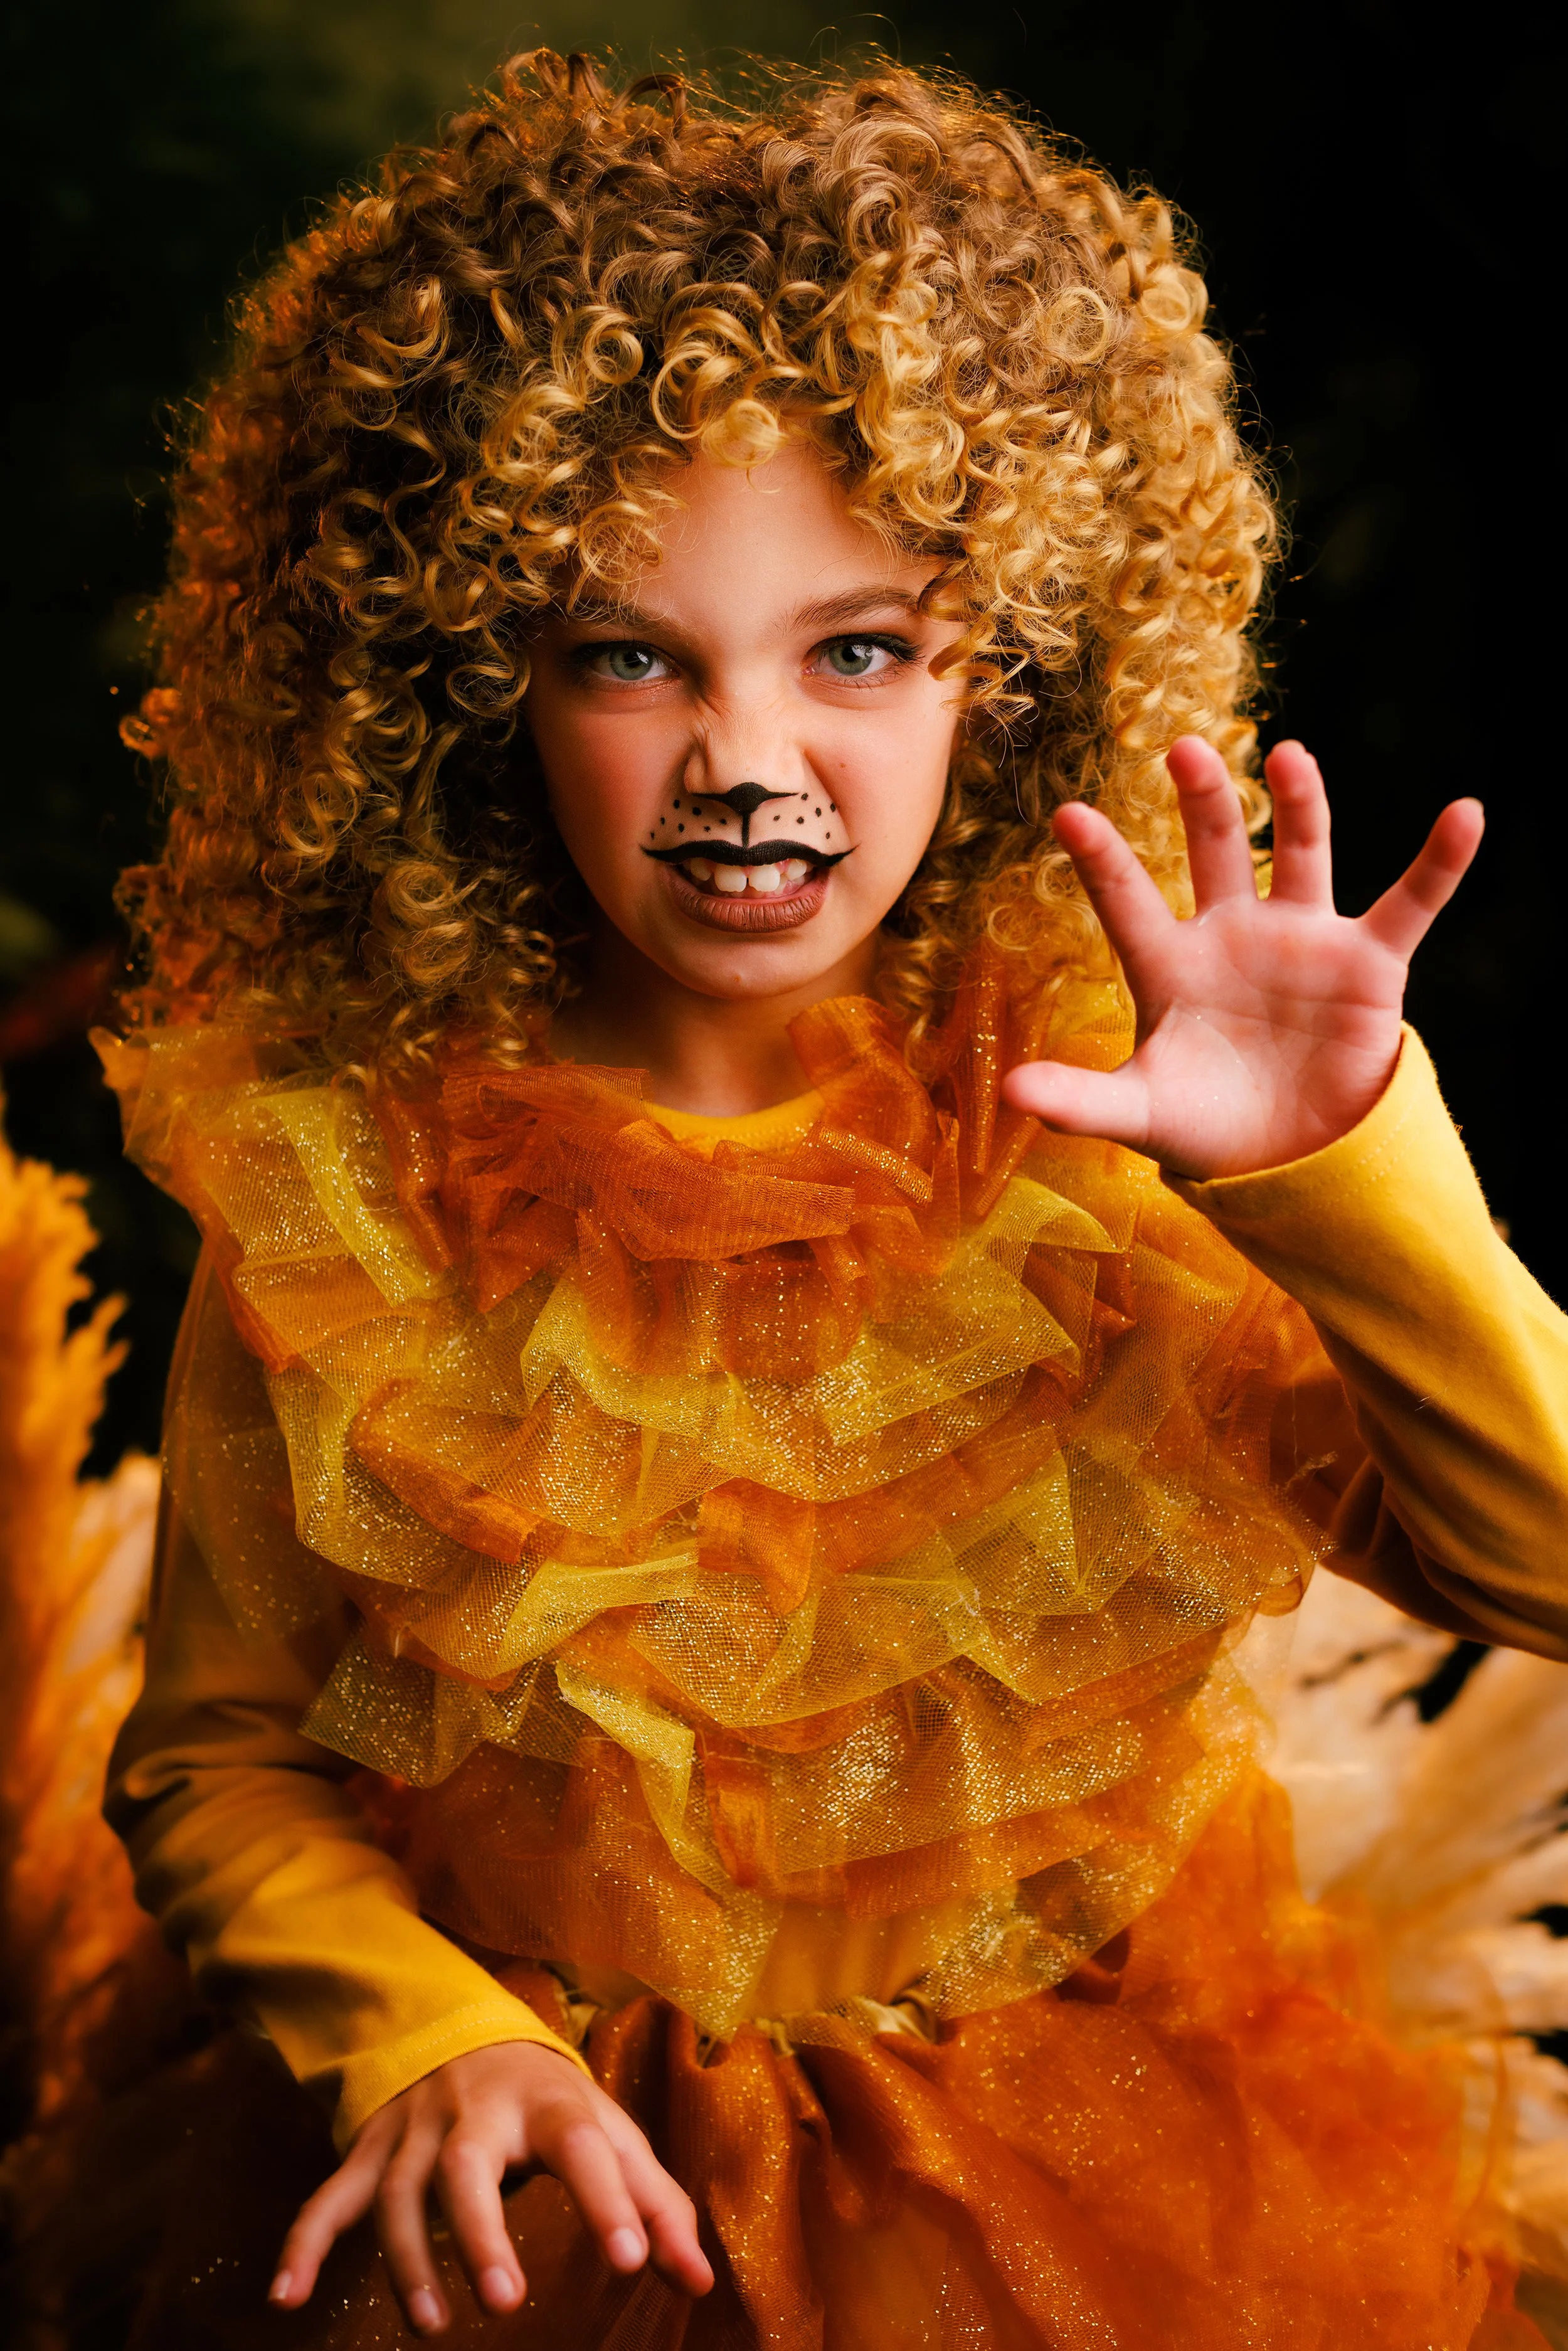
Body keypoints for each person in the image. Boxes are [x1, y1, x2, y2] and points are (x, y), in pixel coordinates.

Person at [92, 48, 1568, 2347]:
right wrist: (420, 2027)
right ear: (470, 681)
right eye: (624, 656)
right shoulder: (347, 1179)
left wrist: (1333, 1168)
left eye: (858, 648)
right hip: (534, 2223)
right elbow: (216, 1757)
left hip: (1100, 2208)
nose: (747, 763)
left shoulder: (1127, 1104)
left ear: (1022, 654)